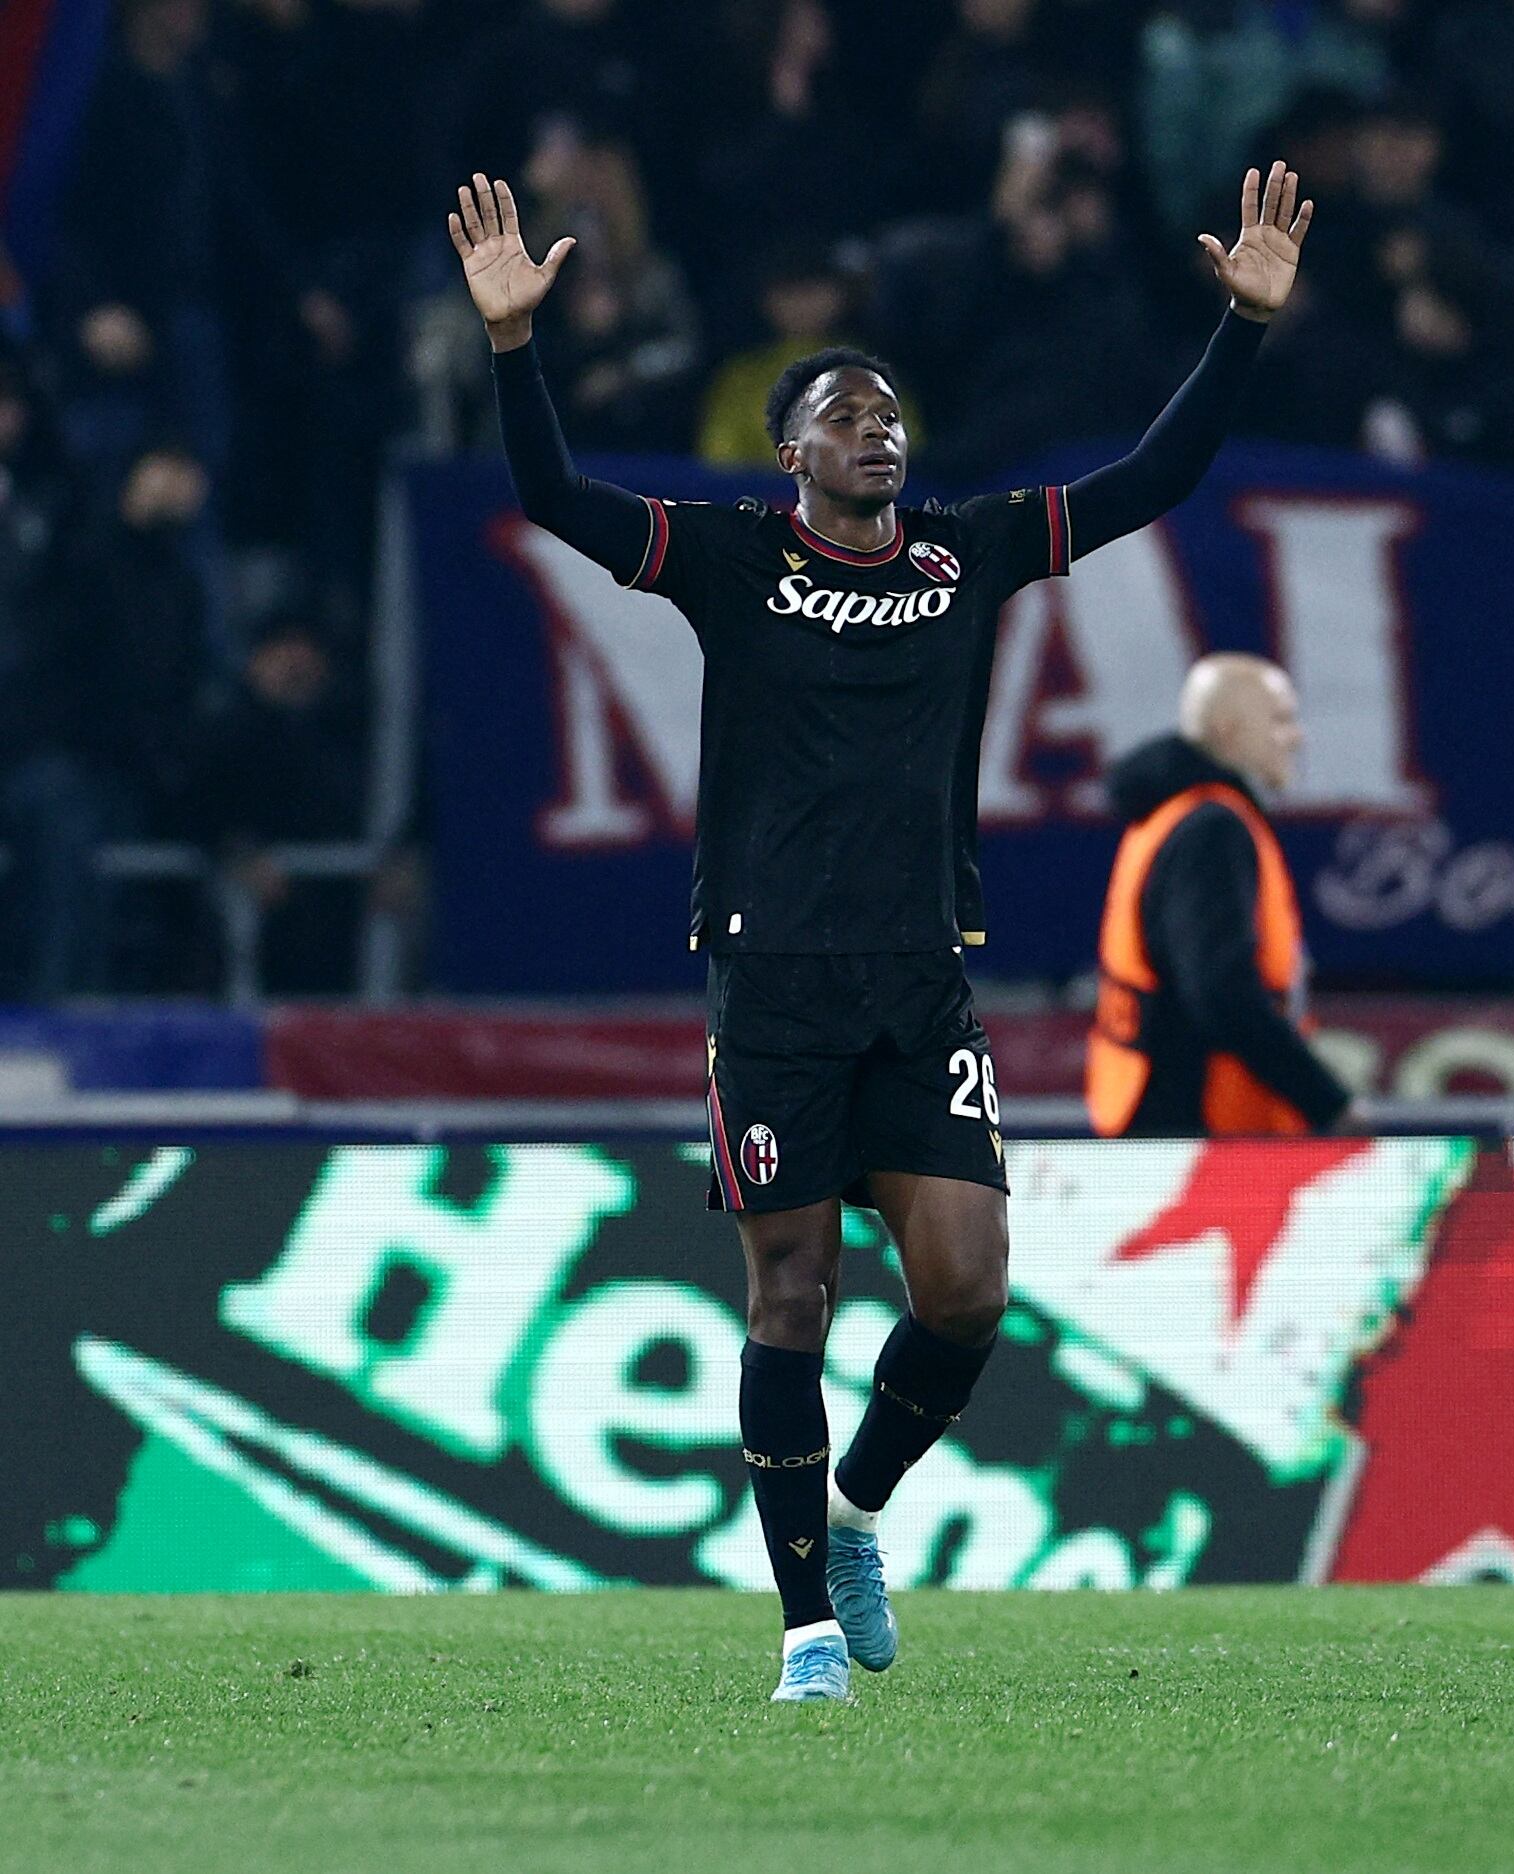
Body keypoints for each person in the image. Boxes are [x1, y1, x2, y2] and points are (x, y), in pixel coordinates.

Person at [449, 160, 1314, 1703]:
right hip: (771, 975)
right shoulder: (728, 555)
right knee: (792, 1295)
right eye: (846, 413)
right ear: (792, 453)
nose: (879, 429)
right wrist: (516, 349)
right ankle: (803, 1634)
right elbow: (553, 503)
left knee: (968, 1284)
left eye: (890, 412)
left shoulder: (965, 553)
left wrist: (1240, 329)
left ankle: (854, 1515)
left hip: (921, 974)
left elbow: (1151, 481)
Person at [1086, 655, 1354, 1138]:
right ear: (1230, 730)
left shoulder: (1166, 813)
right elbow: (1220, 995)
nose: (1297, 737)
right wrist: (1328, 1103)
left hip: (1154, 1112)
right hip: (1200, 1126)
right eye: (1280, 719)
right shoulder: (1213, 828)